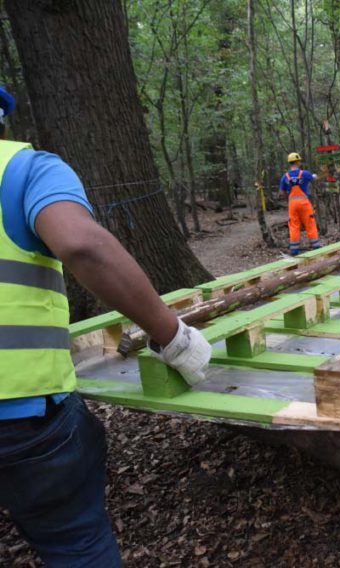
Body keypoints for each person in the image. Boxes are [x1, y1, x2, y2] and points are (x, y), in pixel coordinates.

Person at [0, 87, 212, 566]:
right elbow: (83, 246)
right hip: (22, 416)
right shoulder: (24, 168)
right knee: (73, 542)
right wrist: (173, 335)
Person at [279, 152, 320, 256]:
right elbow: (314, 178)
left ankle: (294, 250)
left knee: (293, 225)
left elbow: (282, 192)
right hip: (304, 203)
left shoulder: (285, 177)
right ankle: (316, 246)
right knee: (310, 223)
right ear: (297, 162)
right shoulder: (305, 174)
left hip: (292, 205)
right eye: (299, 161)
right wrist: (315, 176)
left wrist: (288, 200)